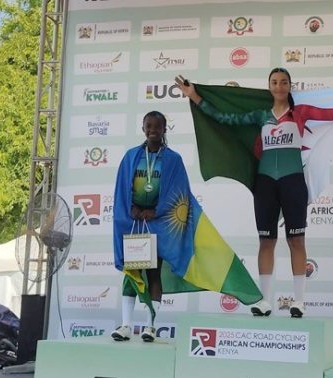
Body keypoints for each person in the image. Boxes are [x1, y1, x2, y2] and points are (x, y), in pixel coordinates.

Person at [175, 70, 333, 318]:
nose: (279, 86)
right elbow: (224, 118)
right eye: (275, 82)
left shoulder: (301, 112)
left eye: (283, 82)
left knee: (296, 240)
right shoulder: (260, 115)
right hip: (265, 184)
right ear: (269, 86)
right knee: (266, 242)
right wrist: (194, 96)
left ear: (290, 86)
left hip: (293, 182)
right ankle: (265, 301)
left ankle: (299, 301)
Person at [111, 111, 261, 342]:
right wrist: (131, 207)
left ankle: (150, 326)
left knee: (153, 273)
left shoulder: (173, 159)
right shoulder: (131, 156)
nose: (153, 130)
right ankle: (126, 326)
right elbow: (122, 187)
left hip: (159, 223)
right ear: (143, 128)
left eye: (157, 126)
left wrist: (157, 211)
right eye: (149, 126)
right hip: (135, 224)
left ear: (164, 129)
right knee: (131, 273)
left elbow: (179, 192)